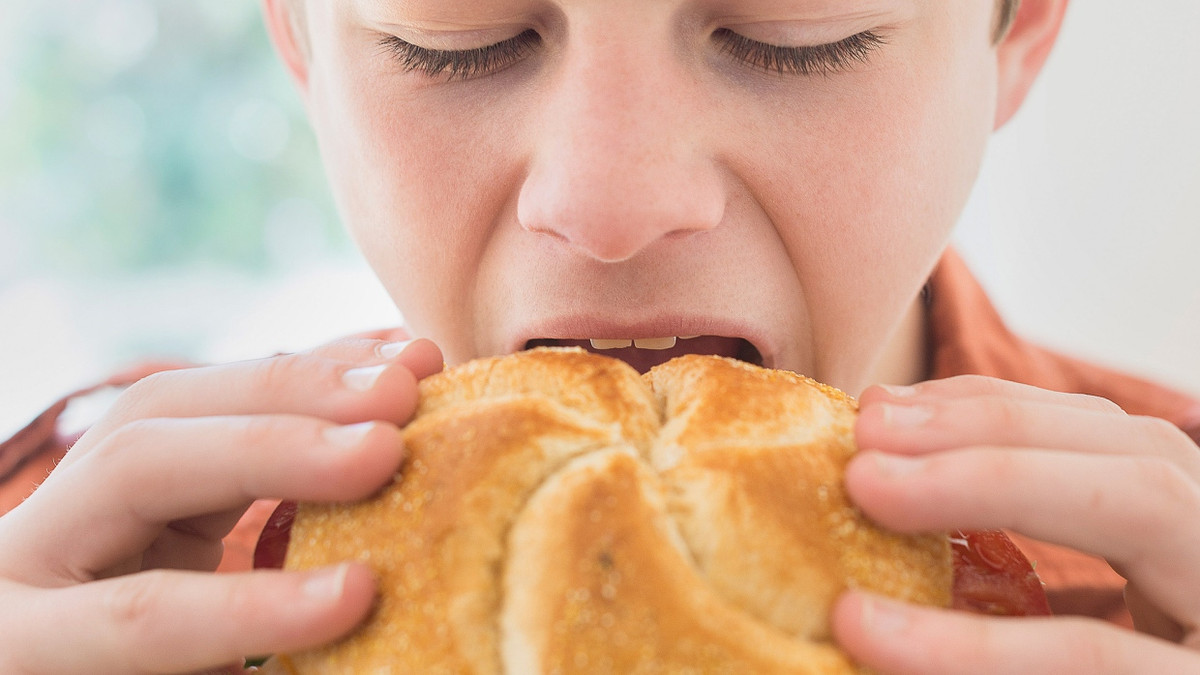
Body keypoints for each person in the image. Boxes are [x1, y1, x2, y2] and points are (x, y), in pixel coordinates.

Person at [1, 0, 1198, 672]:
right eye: (452, 35)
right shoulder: (63, 549)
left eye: (797, 29)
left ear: (1020, 34)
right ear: (304, 48)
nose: (609, 203)